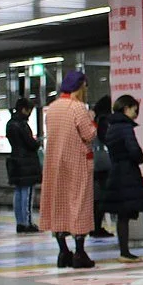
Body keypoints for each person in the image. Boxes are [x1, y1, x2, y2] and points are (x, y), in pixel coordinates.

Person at [39, 70, 98, 269]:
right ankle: (80, 253)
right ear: (81, 87)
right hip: (77, 164)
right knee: (79, 204)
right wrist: (93, 118)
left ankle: (63, 252)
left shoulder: (52, 108)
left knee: (59, 205)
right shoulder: (78, 108)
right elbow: (89, 135)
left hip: (55, 165)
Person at [102, 95, 143, 263]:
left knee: (123, 215)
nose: (136, 113)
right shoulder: (126, 127)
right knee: (126, 214)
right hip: (128, 174)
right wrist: (141, 157)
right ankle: (125, 252)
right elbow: (134, 151)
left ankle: (124, 250)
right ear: (126, 108)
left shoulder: (111, 127)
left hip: (116, 172)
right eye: (135, 109)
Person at [5, 99, 42, 233]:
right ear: (24, 109)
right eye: (29, 110)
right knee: (27, 193)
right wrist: (37, 143)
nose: (30, 114)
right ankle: (27, 223)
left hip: (15, 160)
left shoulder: (10, 124)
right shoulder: (21, 125)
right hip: (26, 162)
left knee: (18, 192)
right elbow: (30, 143)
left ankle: (19, 222)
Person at [90, 95, 114, 238]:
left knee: (97, 196)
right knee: (102, 197)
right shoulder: (104, 120)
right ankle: (97, 227)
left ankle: (95, 226)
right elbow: (106, 138)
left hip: (94, 161)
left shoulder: (95, 118)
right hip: (103, 162)